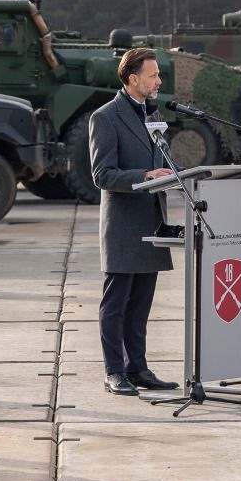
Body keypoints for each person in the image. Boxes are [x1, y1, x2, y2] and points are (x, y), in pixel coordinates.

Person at [88, 47, 180, 396]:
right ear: (132, 79)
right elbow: (102, 174)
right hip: (124, 226)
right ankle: (114, 371)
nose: (159, 81)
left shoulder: (152, 115)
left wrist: (180, 175)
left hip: (151, 221)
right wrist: (144, 175)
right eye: (153, 75)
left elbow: (164, 162)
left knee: (140, 306)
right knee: (116, 306)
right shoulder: (105, 117)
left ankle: (137, 368)